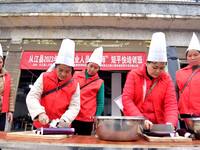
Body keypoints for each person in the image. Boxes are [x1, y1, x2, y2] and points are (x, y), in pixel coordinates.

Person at [122, 32, 178, 130]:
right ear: (147, 63)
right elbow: (127, 100)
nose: (158, 71)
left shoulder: (166, 79)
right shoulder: (134, 75)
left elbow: (171, 104)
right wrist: (141, 119)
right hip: (136, 124)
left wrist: (170, 123)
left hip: (158, 125)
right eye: (155, 67)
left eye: (162, 68)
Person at [26, 39, 80, 128]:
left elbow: (75, 106)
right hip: (41, 123)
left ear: (72, 71)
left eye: (67, 71)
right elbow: (32, 96)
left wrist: (65, 120)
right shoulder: (44, 77)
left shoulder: (74, 84)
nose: (63, 74)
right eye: (60, 70)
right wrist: (40, 113)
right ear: (55, 67)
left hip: (61, 126)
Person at [71, 47, 104, 135]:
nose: (92, 69)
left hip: (87, 117)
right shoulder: (75, 75)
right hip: (73, 114)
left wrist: (96, 116)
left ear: (98, 69)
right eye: (91, 66)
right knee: (70, 140)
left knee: (85, 141)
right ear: (87, 64)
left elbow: (100, 102)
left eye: (96, 68)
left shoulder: (100, 82)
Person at [176, 32, 200, 129]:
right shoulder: (179, 73)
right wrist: (176, 110)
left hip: (198, 114)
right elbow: (175, 92)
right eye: (189, 55)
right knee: (187, 138)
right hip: (184, 114)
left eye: (195, 54)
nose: (192, 57)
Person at [0, 43, 15, 131]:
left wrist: (10, 111)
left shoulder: (7, 76)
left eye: (0, 62)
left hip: (2, 112)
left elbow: (11, 95)